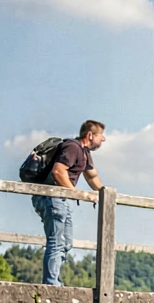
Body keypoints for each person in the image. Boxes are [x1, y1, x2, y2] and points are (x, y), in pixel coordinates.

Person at [31, 120, 106, 286]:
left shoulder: (84, 153)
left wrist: (107, 195)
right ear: (90, 135)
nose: (104, 139)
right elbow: (59, 171)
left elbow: (92, 177)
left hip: (61, 198)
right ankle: (51, 284)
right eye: (101, 135)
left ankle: (54, 279)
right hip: (52, 196)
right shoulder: (73, 147)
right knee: (56, 241)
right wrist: (78, 193)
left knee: (66, 243)